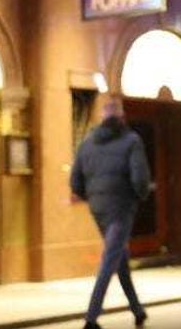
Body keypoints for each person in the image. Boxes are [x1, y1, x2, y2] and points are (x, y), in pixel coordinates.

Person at [70, 96, 151, 329]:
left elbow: (75, 181)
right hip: (121, 207)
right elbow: (140, 178)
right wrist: (139, 196)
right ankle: (91, 318)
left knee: (118, 257)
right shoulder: (132, 140)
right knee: (110, 259)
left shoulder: (86, 143)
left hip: (98, 209)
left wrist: (92, 197)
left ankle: (137, 310)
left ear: (102, 118)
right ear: (122, 117)